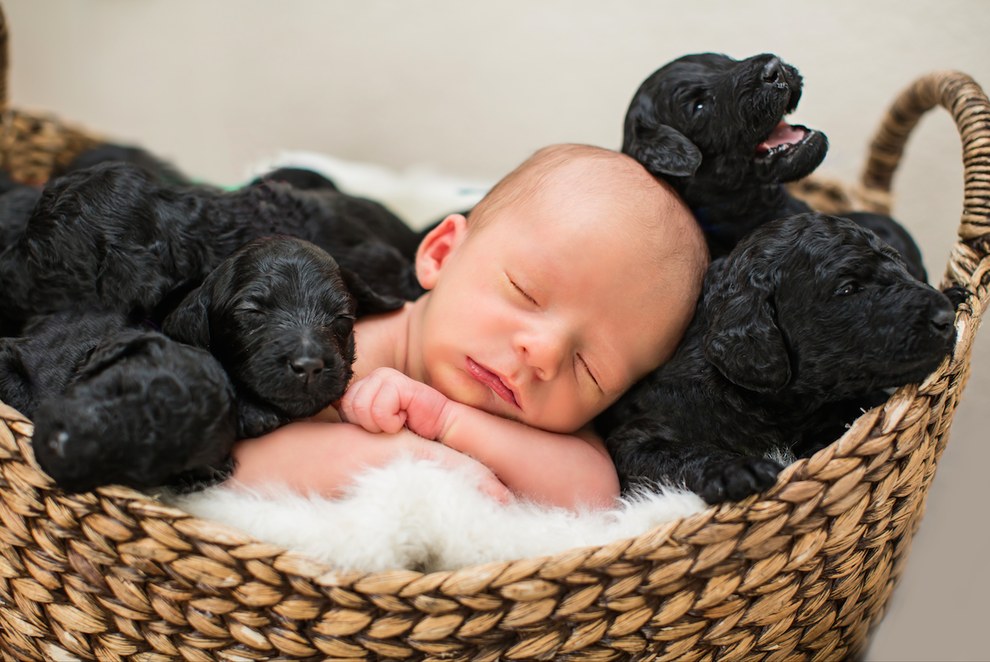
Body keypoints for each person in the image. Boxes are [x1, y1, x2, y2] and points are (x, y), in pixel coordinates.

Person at [231, 143, 708, 511]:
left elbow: (594, 494)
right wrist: (410, 457)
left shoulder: (541, 426)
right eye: (526, 292)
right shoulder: (349, 348)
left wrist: (447, 422)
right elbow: (239, 459)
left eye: (591, 369)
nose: (543, 354)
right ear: (441, 254)